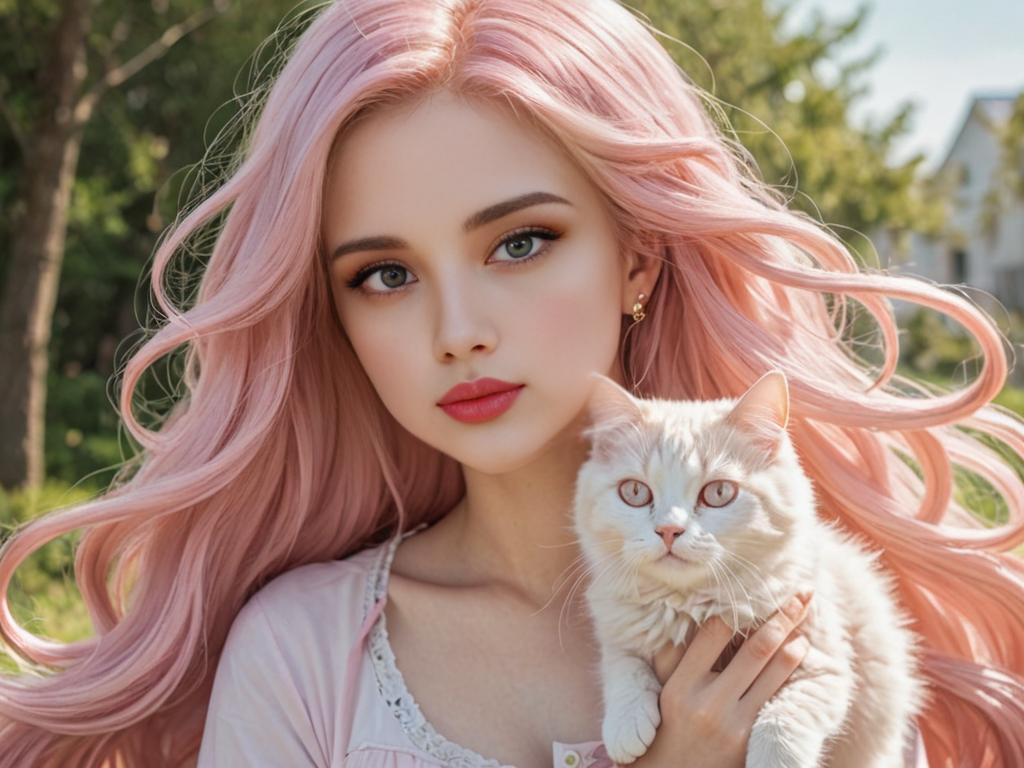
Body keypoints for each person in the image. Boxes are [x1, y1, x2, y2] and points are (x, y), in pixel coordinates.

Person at [0, 1, 1021, 767]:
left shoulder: (804, 625)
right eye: (384, 275)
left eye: (520, 242)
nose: (458, 332)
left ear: (637, 259)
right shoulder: (303, 656)